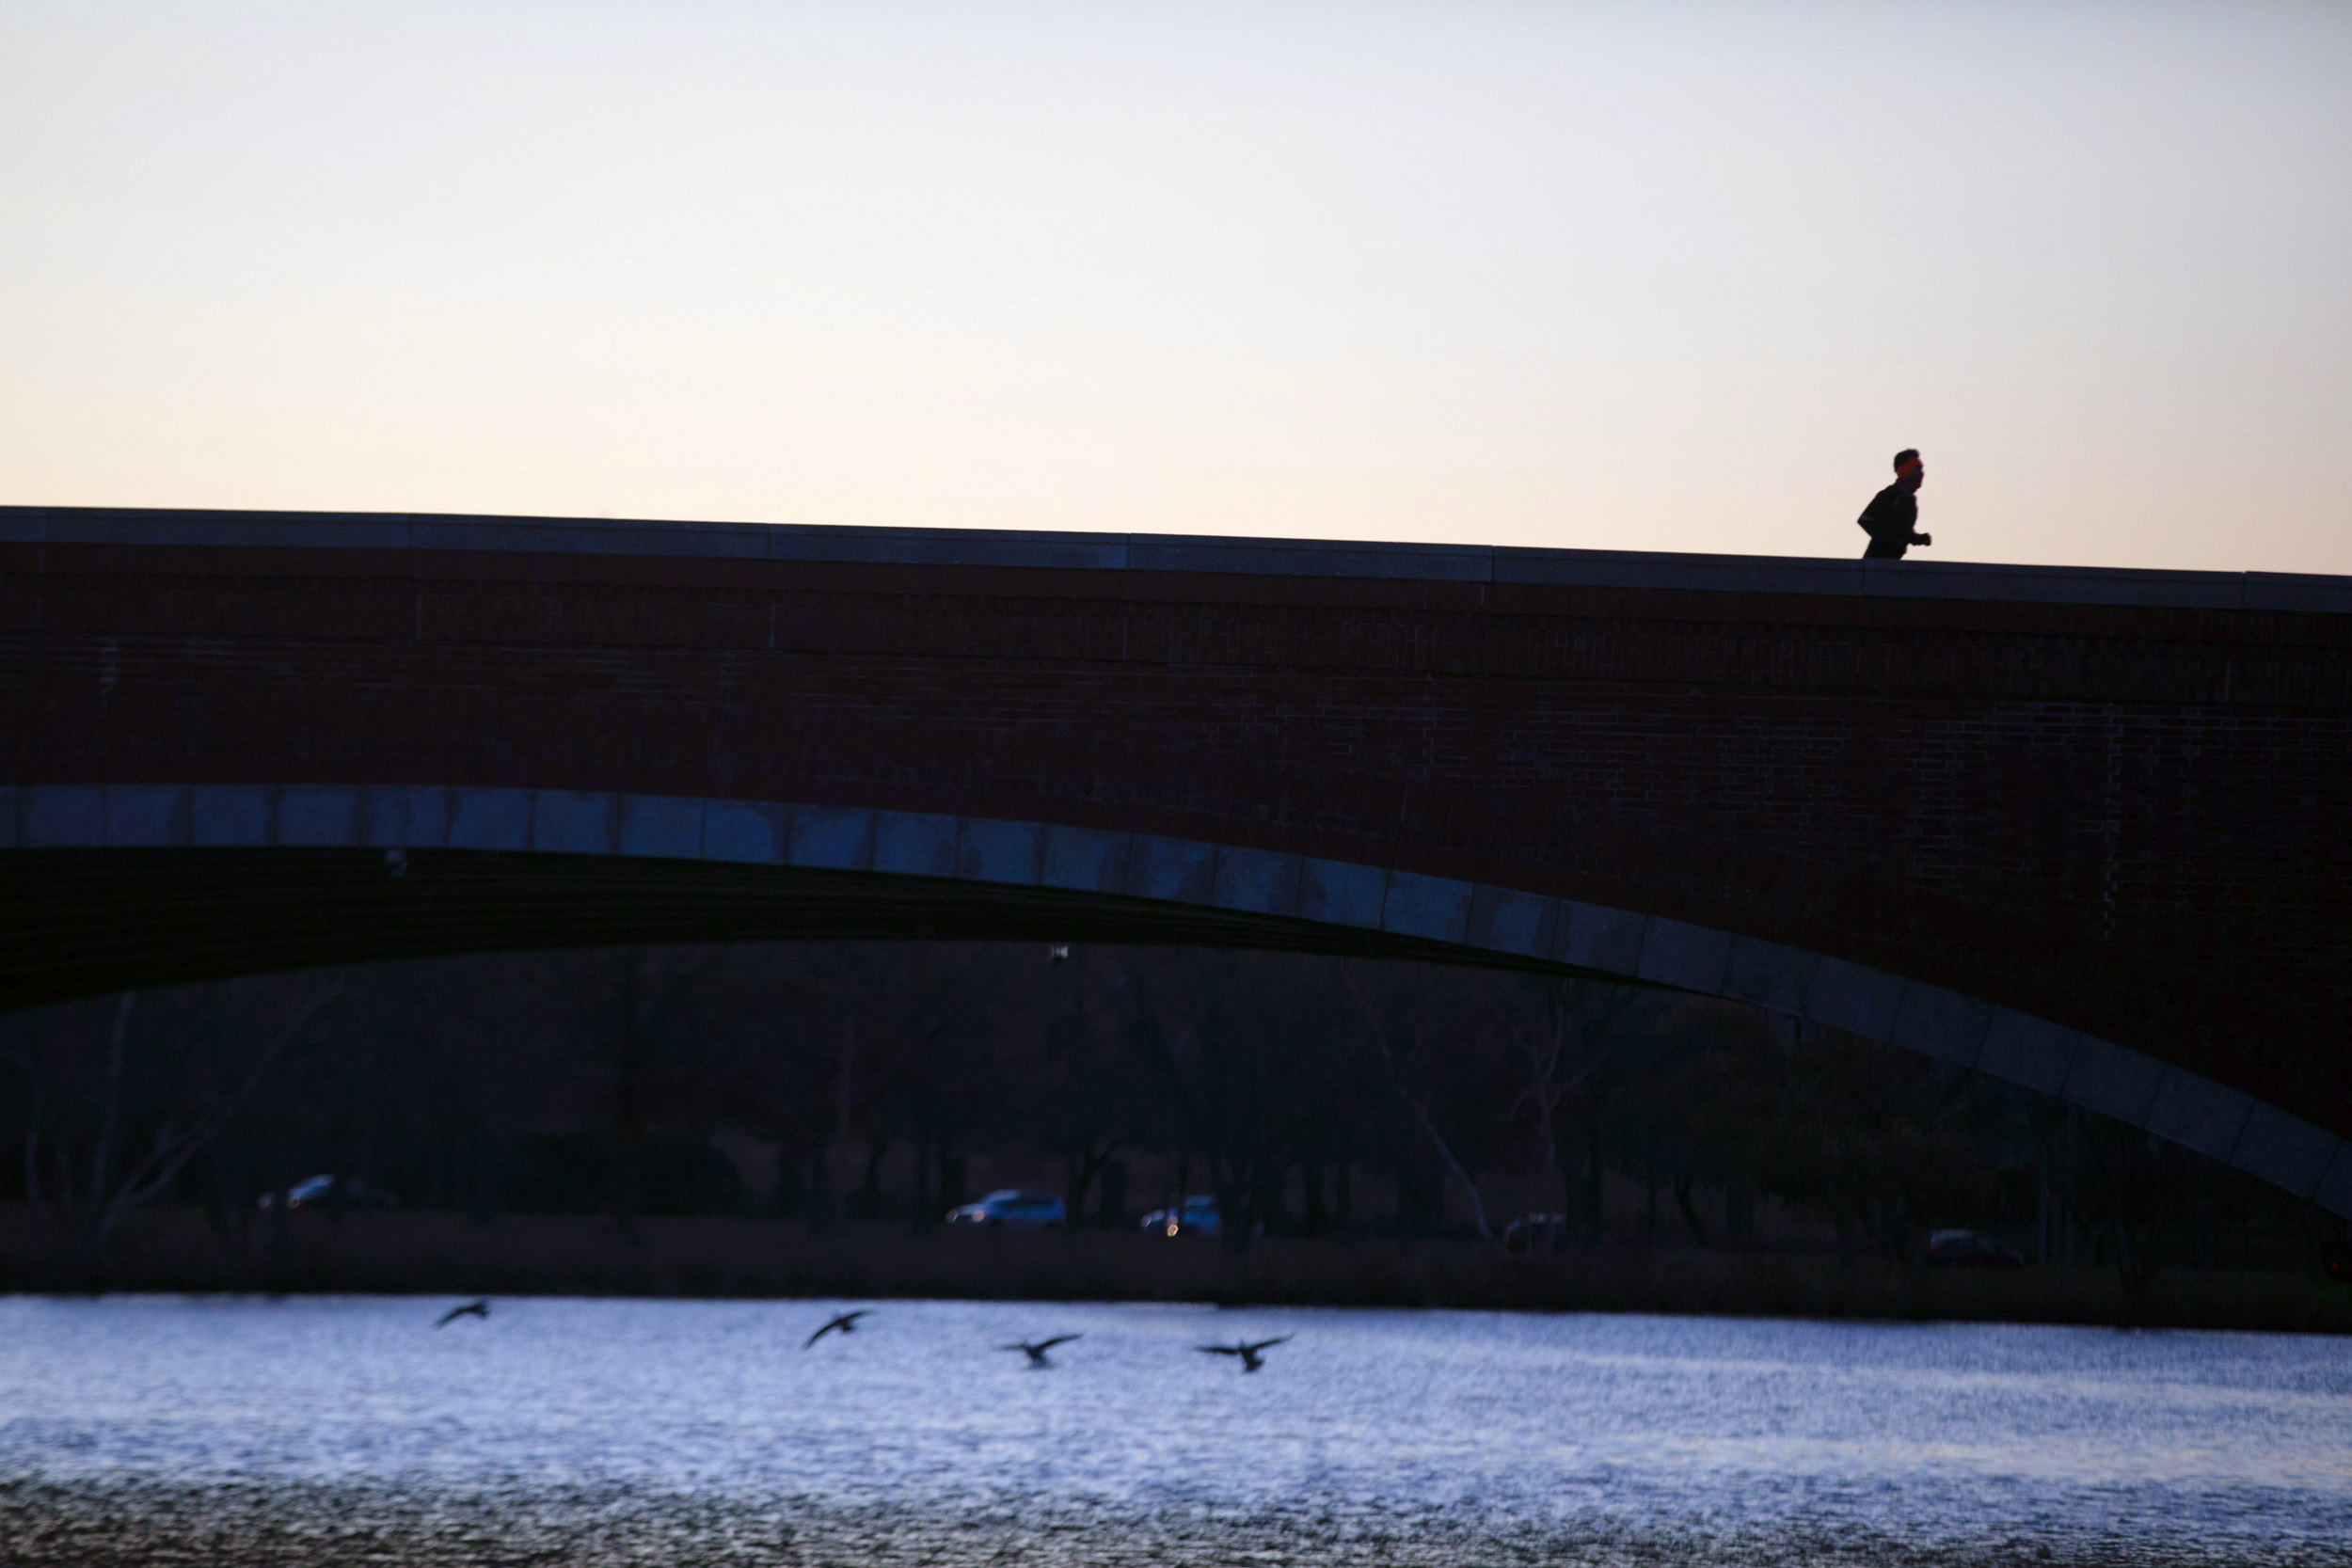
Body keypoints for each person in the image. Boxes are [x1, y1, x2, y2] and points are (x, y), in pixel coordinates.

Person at [1857, 449, 1931, 560]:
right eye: (1916, 468)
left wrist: (1916, 538)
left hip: (1893, 561)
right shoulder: (1890, 495)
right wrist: (1890, 539)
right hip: (1877, 562)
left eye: (1921, 469)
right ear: (1904, 471)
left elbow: (1901, 530)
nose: (1921, 473)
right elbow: (1865, 520)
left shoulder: (1909, 500)